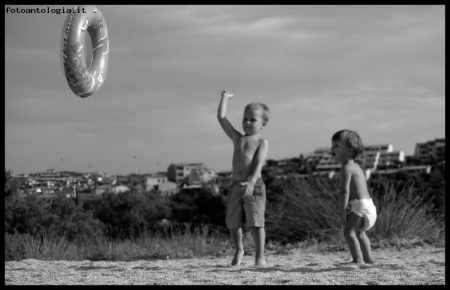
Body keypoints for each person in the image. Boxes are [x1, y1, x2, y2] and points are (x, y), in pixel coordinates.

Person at [217, 90, 269, 267]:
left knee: (256, 223)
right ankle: (239, 249)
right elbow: (222, 118)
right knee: (233, 223)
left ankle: (260, 257)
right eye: (245, 118)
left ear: (263, 123)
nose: (247, 122)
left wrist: (252, 181)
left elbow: (259, 164)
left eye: (253, 119)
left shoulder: (262, 142)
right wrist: (224, 98)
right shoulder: (236, 138)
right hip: (235, 187)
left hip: (254, 187)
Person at [331, 129, 377, 265]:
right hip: (369, 205)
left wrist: (342, 208)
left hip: (359, 206)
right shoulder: (356, 166)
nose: (332, 148)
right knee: (360, 233)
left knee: (349, 233)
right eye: (332, 145)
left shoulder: (346, 167)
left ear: (350, 150)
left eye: (337, 145)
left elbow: (344, 191)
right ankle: (368, 259)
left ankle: (358, 260)